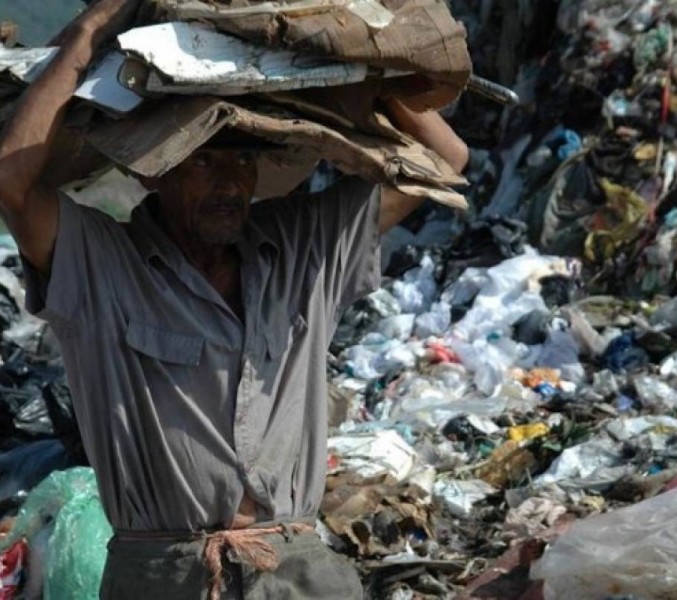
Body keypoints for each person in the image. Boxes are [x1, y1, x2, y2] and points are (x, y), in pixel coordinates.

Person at [0, 1, 469, 599]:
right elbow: (12, 181)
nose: (229, 182)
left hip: (297, 568)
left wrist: (355, 78)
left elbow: (446, 160)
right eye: (204, 161)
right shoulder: (103, 265)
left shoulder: (304, 249)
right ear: (155, 171)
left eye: (244, 159)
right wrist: (91, 33)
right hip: (166, 572)